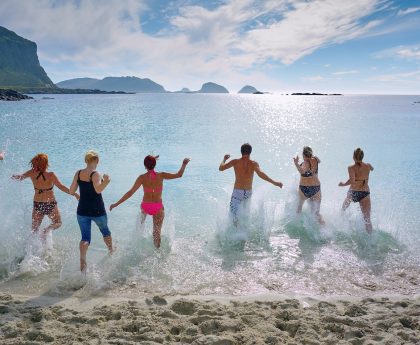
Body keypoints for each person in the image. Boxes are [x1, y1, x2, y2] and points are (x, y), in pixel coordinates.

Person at [110, 155, 190, 248]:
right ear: (155, 164)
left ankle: (135, 245)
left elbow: (130, 192)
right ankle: (157, 252)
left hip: (145, 206)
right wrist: (184, 164)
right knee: (156, 233)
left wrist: (116, 204)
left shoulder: (142, 178)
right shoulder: (161, 175)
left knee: (140, 226)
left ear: (145, 166)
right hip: (157, 207)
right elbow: (179, 175)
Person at [12, 153, 78, 238]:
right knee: (58, 223)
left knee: (34, 230)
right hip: (50, 204)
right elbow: (61, 187)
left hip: (37, 204)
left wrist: (12, 176)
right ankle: (47, 230)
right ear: (46, 164)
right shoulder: (51, 175)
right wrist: (74, 193)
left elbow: (20, 177)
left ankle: (31, 249)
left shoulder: (32, 173)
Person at [69, 151, 113, 272]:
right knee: (105, 231)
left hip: (82, 210)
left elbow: (71, 191)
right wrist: (107, 181)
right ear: (97, 161)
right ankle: (111, 250)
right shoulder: (95, 174)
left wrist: (77, 195)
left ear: (85, 161)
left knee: (85, 238)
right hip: (97, 210)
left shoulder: (78, 173)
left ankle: (82, 261)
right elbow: (98, 190)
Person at [219, 143, 283, 224]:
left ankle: (235, 233)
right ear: (250, 152)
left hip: (237, 192)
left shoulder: (235, 162)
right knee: (245, 214)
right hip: (248, 193)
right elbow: (260, 174)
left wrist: (224, 159)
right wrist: (275, 182)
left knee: (233, 215)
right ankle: (244, 231)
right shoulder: (253, 164)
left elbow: (221, 168)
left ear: (241, 152)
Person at [339, 148, 374, 233]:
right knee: (367, 219)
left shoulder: (351, 168)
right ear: (362, 157)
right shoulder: (368, 166)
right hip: (365, 193)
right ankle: (371, 241)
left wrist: (343, 184)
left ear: (353, 157)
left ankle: (341, 226)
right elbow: (372, 169)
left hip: (353, 192)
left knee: (343, 210)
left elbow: (352, 181)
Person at [293, 146, 324, 225]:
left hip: (304, 189)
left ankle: (297, 225)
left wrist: (296, 164)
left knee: (299, 208)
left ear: (303, 155)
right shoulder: (316, 159)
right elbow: (319, 161)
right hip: (316, 189)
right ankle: (326, 231)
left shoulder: (305, 163)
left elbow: (302, 172)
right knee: (316, 213)